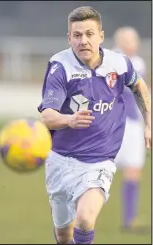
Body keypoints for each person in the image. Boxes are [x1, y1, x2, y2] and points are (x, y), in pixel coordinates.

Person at [37, 6, 151, 244]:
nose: (83, 41)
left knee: (86, 218)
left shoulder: (119, 63)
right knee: (63, 235)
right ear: (69, 38)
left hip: (99, 160)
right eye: (77, 35)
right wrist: (69, 120)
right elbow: (46, 116)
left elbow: (139, 85)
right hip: (60, 160)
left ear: (101, 35)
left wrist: (148, 122)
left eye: (89, 34)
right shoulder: (60, 66)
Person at [113, 27, 150, 233]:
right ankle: (82, 217)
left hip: (134, 125)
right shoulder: (112, 61)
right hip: (117, 124)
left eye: (134, 39)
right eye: (128, 39)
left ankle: (129, 220)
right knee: (102, 171)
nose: (133, 43)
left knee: (134, 170)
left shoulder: (138, 63)